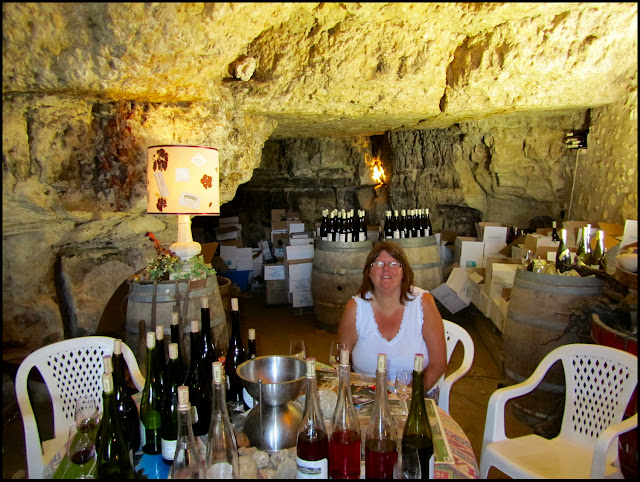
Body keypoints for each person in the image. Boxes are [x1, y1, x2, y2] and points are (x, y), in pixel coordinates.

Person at [338, 241, 447, 399]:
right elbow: (342, 361)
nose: (386, 269)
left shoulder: (423, 303)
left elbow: (439, 363)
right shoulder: (355, 308)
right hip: (366, 398)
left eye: (394, 263)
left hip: (416, 396)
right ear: (368, 271)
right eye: (378, 263)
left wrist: (408, 395)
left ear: (404, 272)